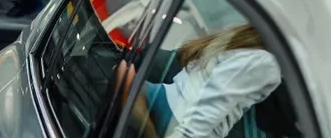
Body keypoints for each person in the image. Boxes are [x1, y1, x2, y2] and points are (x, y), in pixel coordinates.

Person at [118, 24, 282, 138]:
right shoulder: (266, 62)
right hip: (178, 122)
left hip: (163, 100)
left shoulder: (242, 41)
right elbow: (213, 104)